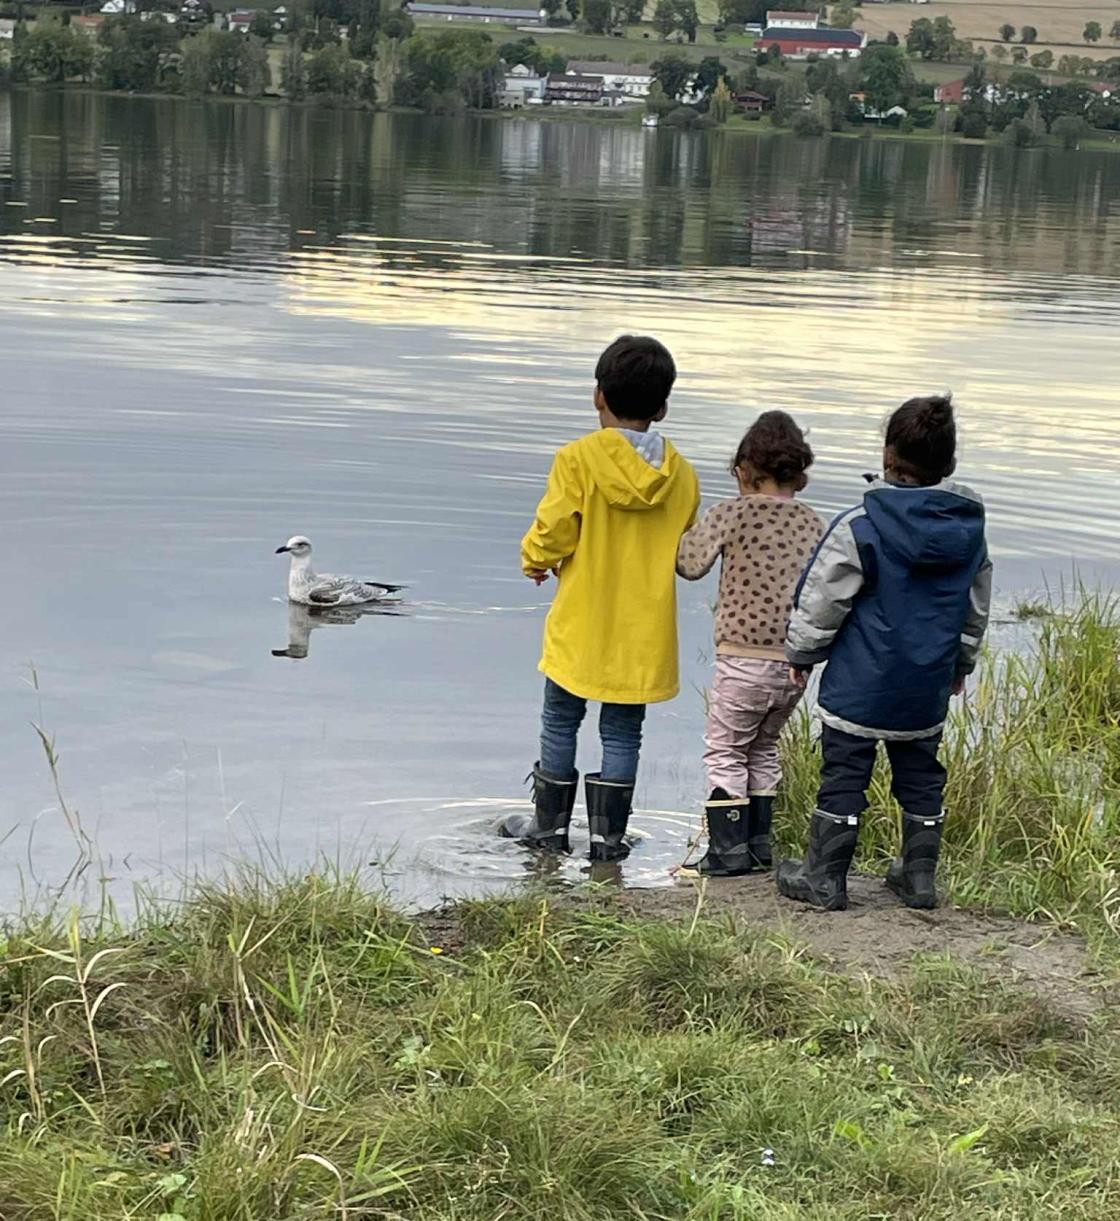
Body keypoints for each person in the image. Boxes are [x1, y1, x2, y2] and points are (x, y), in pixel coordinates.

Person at [777, 394, 993, 911]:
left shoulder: (861, 524)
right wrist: (961, 664)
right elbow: (975, 609)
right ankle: (918, 879)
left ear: (887, 457)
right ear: (949, 464)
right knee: (921, 776)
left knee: (844, 775)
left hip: (860, 685)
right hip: (925, 687)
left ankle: (825, 878)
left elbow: (823, 598)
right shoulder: (970, 533)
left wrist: (801, 654)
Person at [499, 336, 700, 861]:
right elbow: (686, 544)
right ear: (662, 408)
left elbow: (555, 530)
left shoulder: (577, 460)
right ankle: (608, 840)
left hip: (582, 624)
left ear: (598, 396)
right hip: (643, 633)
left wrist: (535, 559)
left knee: (560, 719)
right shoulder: (681, 474)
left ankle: (548, 830)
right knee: (623, 733)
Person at [674, 411, 824, 878]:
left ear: (743, 471)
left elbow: (689, 563)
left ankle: (726, 852)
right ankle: (758, 847)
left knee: (725, 749)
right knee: (763, 748)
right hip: (794, 665)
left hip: (742, 660)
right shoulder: (816, 525)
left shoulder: (732, 512)